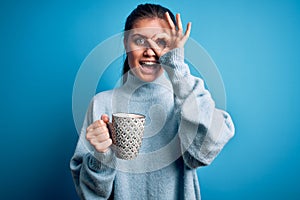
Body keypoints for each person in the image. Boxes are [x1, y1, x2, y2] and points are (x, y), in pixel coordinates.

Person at [70, 3, 235, 200]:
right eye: (139, 40)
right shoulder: (101, 104)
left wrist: (176, 67)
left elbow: (204, 152)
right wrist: (102, 157)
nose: (150, 51)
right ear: (125, 43)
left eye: (161, 43)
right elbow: (91, 195)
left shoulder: (186, 100)